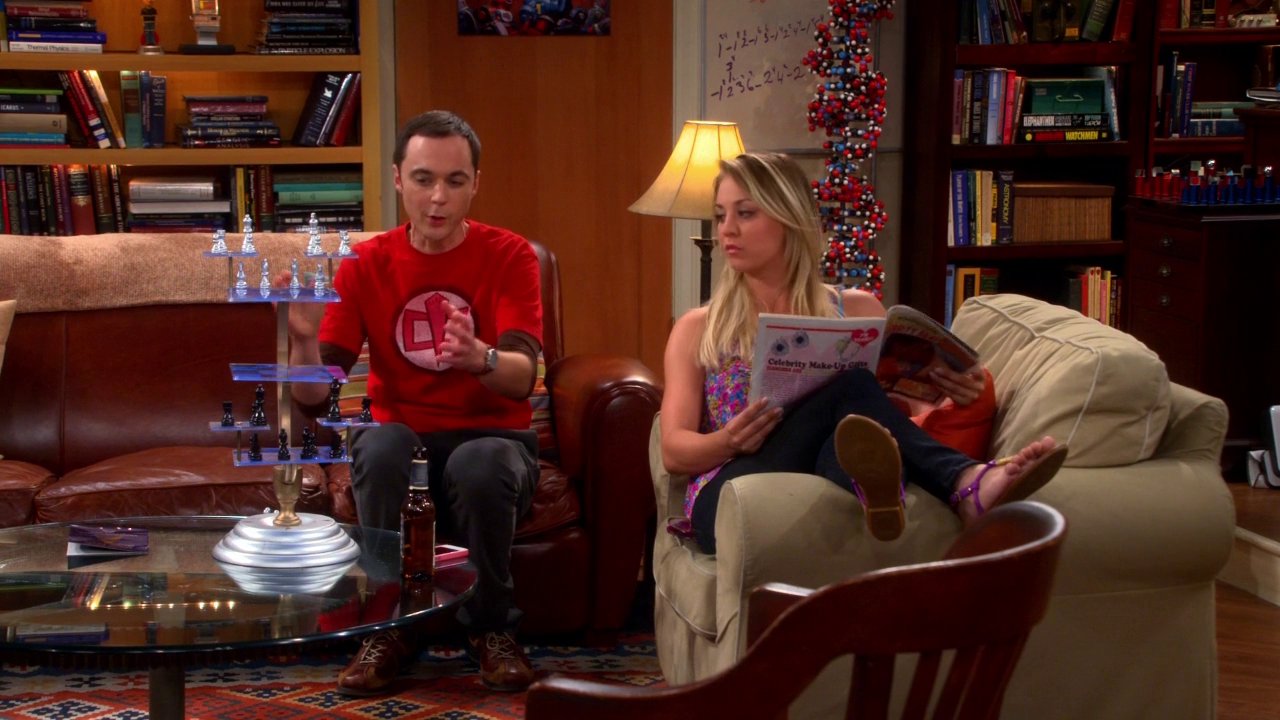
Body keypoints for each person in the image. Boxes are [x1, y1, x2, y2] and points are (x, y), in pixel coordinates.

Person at [660, 152, 1068, 554]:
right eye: (721, 215)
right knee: (852, 386)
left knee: (852, 435)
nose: (727, 229)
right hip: (734, 484)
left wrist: (953, 392)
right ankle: (965, 482)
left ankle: (876, 488)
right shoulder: (699, 328)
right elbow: (674, 450)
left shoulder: (856, 310)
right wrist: (728, 441)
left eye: (745, 213)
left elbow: (897, 409)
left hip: (821, 467)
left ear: (789, 217)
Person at [283, 110, 543, 696]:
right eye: (424, 179)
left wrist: (480, 358)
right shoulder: (365, 263)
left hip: (495, 439)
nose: (438, 197)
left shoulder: (511, 255)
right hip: (401, 440)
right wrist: (302, 341)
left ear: (476, 184)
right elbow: (315, 398)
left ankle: (492, 629)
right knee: (381, 444)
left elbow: (523, 377)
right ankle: (388, 629)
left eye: (455, 181)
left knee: (480, 462)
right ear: (399, 179)